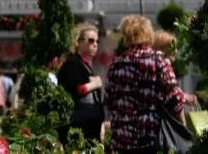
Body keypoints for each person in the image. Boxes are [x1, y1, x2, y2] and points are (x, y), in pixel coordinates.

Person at [106, 15, 185, 154]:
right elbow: (175, 98)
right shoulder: (158, 61)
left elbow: (109, 100)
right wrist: (183, 126)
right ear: (149, 33)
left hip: (122, 140)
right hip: (150, 137)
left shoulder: (116, 64)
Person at [57, 23, 105, 144]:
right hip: (80, 129)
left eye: (97, 41)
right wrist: (94, 84)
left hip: (91, 127)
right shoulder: (72, 64)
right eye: (90, 40)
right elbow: (74, 90)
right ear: (78, 42)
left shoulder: (85, 65)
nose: (95, 44)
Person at [153, 30, 197, 106]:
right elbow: (175, 96)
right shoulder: (164, 64)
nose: (176, 51)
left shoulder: (151, 65)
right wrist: (186, 97)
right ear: (161, 48)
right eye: (172, 47)